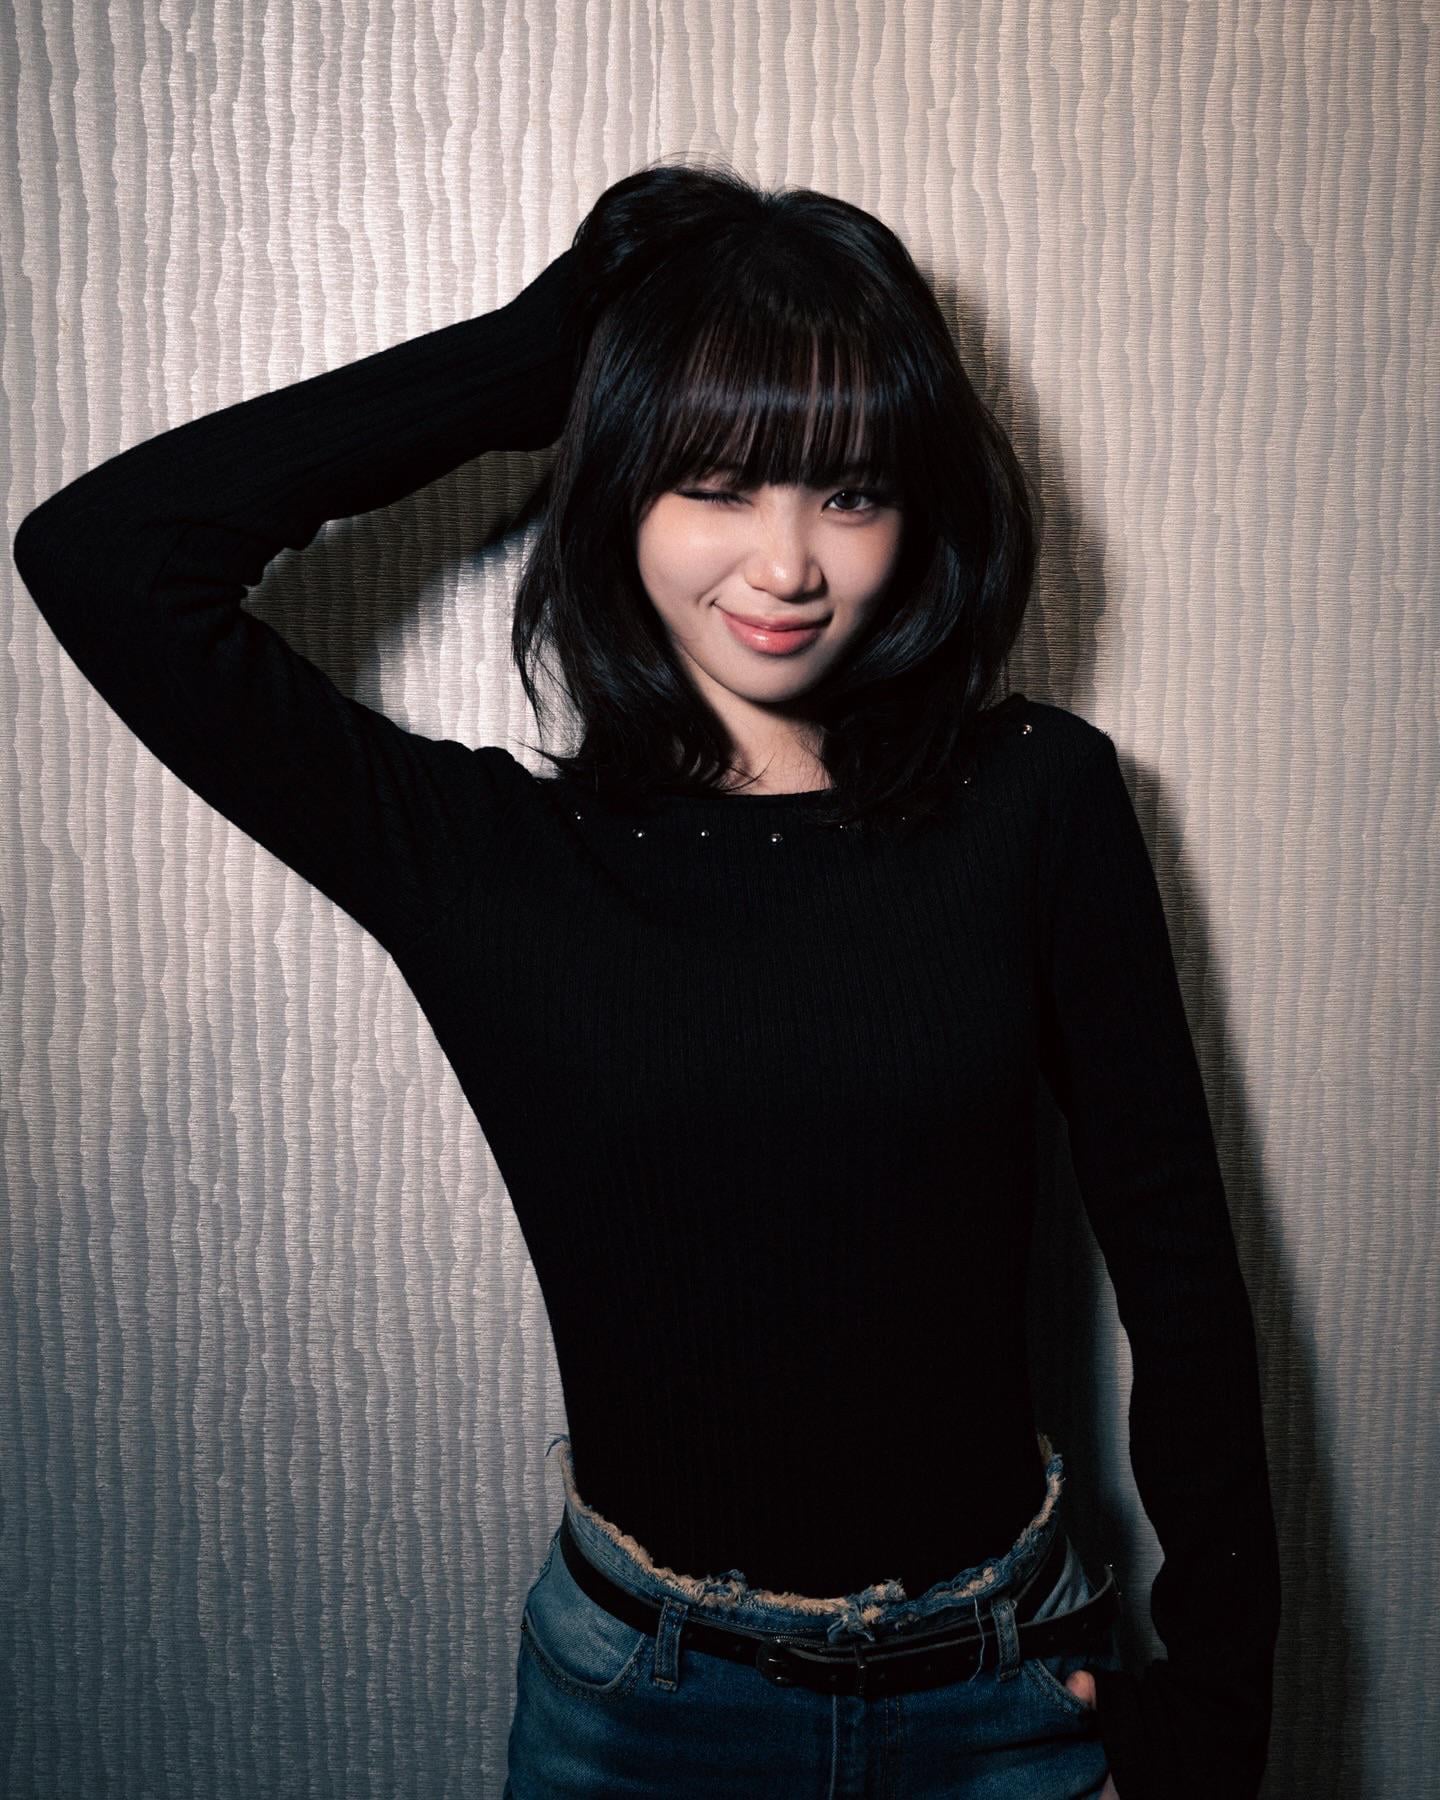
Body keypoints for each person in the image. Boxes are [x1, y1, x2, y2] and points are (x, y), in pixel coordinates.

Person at [13, 158, 1281, 1798]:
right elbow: (101, 554)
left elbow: (1181, 1271)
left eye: (850, 493)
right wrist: (534, 360)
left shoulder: (1037, 799)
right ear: (618, 490)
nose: (787, 565)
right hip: (643, 1717)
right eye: (716, 483)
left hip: (1010, 1690)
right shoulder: (486, 860)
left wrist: (1216, 1714)